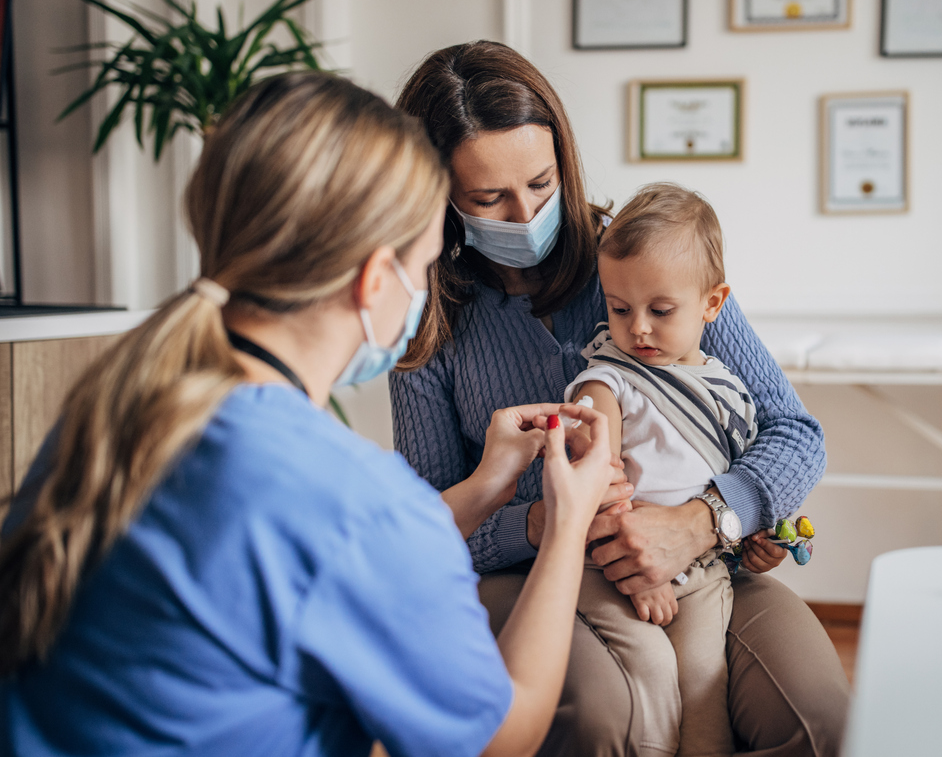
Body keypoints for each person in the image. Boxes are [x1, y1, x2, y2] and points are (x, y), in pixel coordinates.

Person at [0, 72, 618, 757]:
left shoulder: (122, 404)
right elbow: (501, 737)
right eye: (423, 264)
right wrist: (567, 522)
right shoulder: (351, 498)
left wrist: (478, 491)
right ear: (374, 280)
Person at [391, 40, 850, 755]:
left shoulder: (649, 266)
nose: (523, 214)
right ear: (436, 198)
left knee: (821, 720)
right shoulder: (427, 321)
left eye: (541, 183)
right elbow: (423, 525)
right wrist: (543, 525)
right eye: (488, 198)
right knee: (613, 714)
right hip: (524, 578)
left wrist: (704, 522)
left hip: (697, 565)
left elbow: (794, 432)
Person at [566, 183, 792, 756]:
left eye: (660, 311)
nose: (637, 328)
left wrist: (757, 536)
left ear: (712, 305)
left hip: (701, 570)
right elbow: (596, 480)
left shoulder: (729, 389)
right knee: (648, 669)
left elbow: (741, 471)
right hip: (609, 566)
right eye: (619, 308)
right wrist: (640, 571)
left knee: (702, 681)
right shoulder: (606, 379)